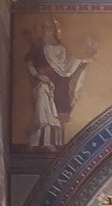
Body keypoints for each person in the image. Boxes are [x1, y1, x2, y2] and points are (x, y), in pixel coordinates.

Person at [25, 20, 88, 148]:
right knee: (45, 111)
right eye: (45, 29)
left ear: (54, 31)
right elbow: (30, 63)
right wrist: (38, 76)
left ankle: (58, 142)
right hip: (44, 83)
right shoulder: (38, 47)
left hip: (60, 83)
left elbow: (69, 62)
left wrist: (81, 62)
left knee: (59, 112)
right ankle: (43, 142)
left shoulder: (62, 48)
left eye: (50, 29)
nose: (47, 32)